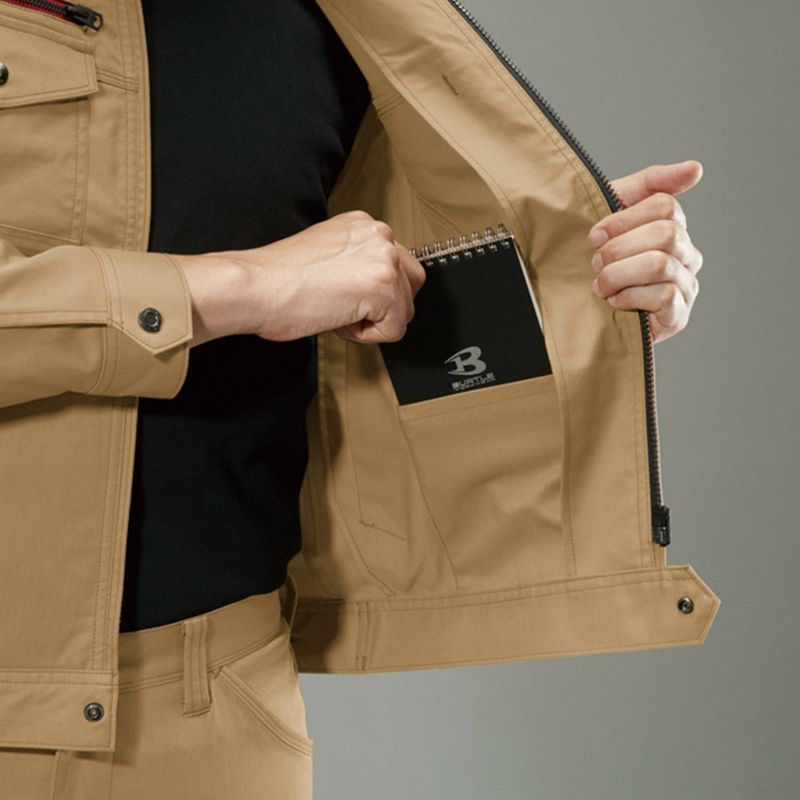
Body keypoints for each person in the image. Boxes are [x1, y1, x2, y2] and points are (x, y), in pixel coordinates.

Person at [0, 0, 704, 797]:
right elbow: (276, 284)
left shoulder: (330, 18)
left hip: (225, 702)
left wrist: (578, 294)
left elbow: (353, 306)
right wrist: (242, 287)